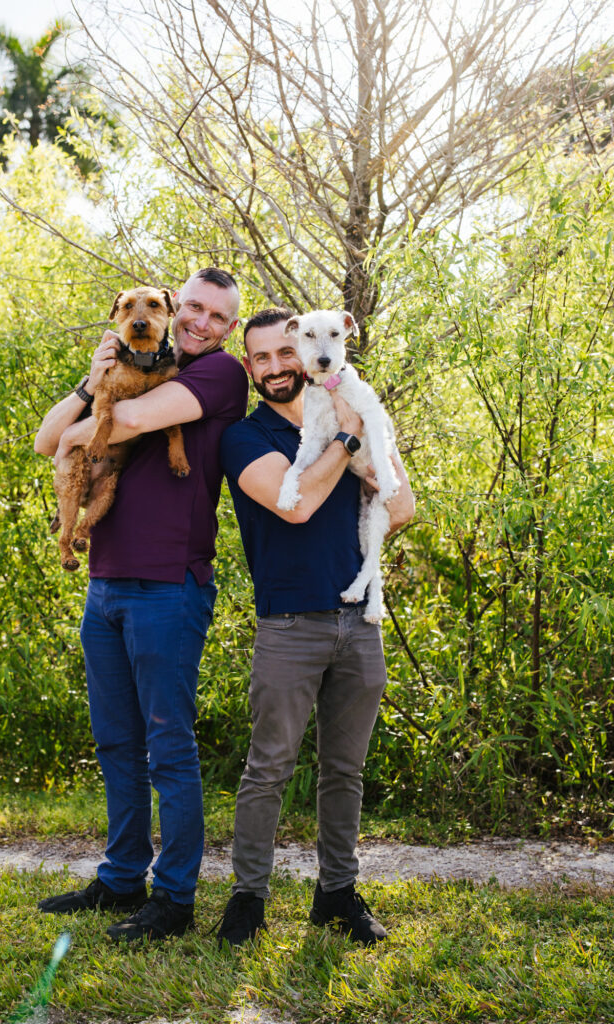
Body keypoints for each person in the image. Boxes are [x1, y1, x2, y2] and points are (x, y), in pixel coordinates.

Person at [33, 268, 248, 942]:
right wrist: (87, 377)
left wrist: (90, 411)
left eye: (216, 316)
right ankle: (121, 876)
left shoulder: (217, 376)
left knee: (167, 747)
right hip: (107, 581)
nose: (200, 323)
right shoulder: (136, 361)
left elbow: (120, 423)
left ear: (230, 329)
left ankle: (174, 898)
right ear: (172, 307)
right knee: (116, 741)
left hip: (168, 584)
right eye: (192, 308)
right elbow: (46, 439)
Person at [216, 307, 415, 948]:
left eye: (284, 353)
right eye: (262, 358)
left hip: (360, 622)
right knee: (268, 766)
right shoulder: (244, 439)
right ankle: (249, 898)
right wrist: (350, 444)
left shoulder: (354, 408)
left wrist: (356, 442)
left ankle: (337, 895)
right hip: (290, 622)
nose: (276, 366)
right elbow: (293, 505)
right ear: (249, 367)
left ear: (307, 352)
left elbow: (403, 505)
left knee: (345, 770)